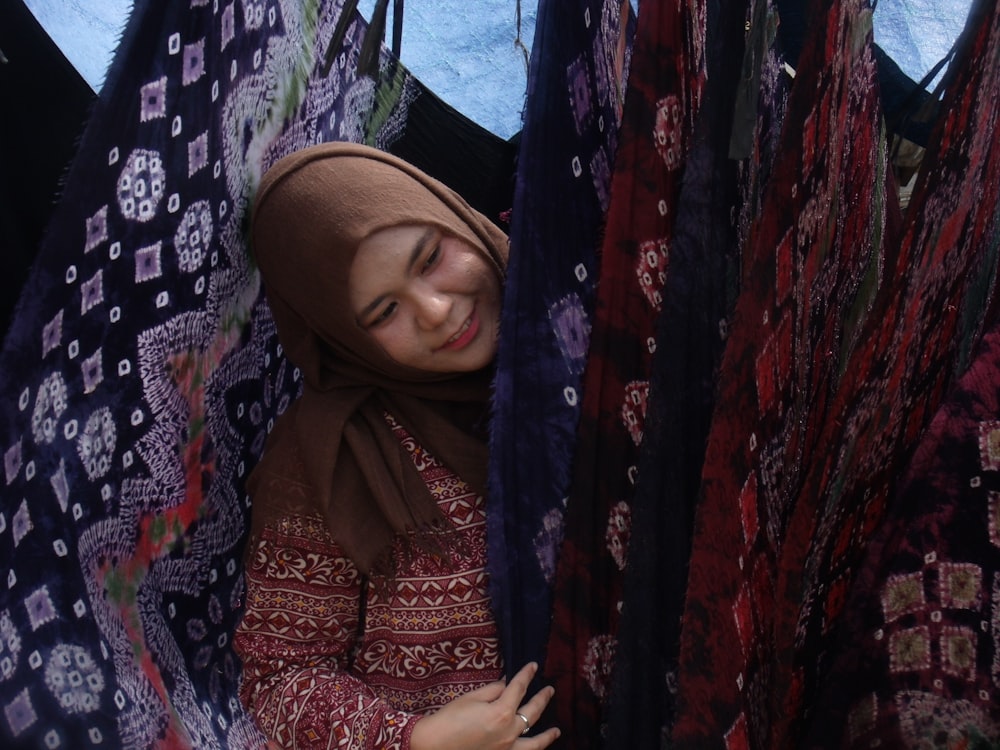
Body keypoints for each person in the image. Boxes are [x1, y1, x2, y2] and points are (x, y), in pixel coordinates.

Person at [233, 141, 560, 750]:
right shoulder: (331, 455)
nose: (436, 312)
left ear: (455, 212)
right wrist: (415, 741)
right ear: (339, 335)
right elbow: (279, 678)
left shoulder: (582, 348)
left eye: (431, 256)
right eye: (384, 312)